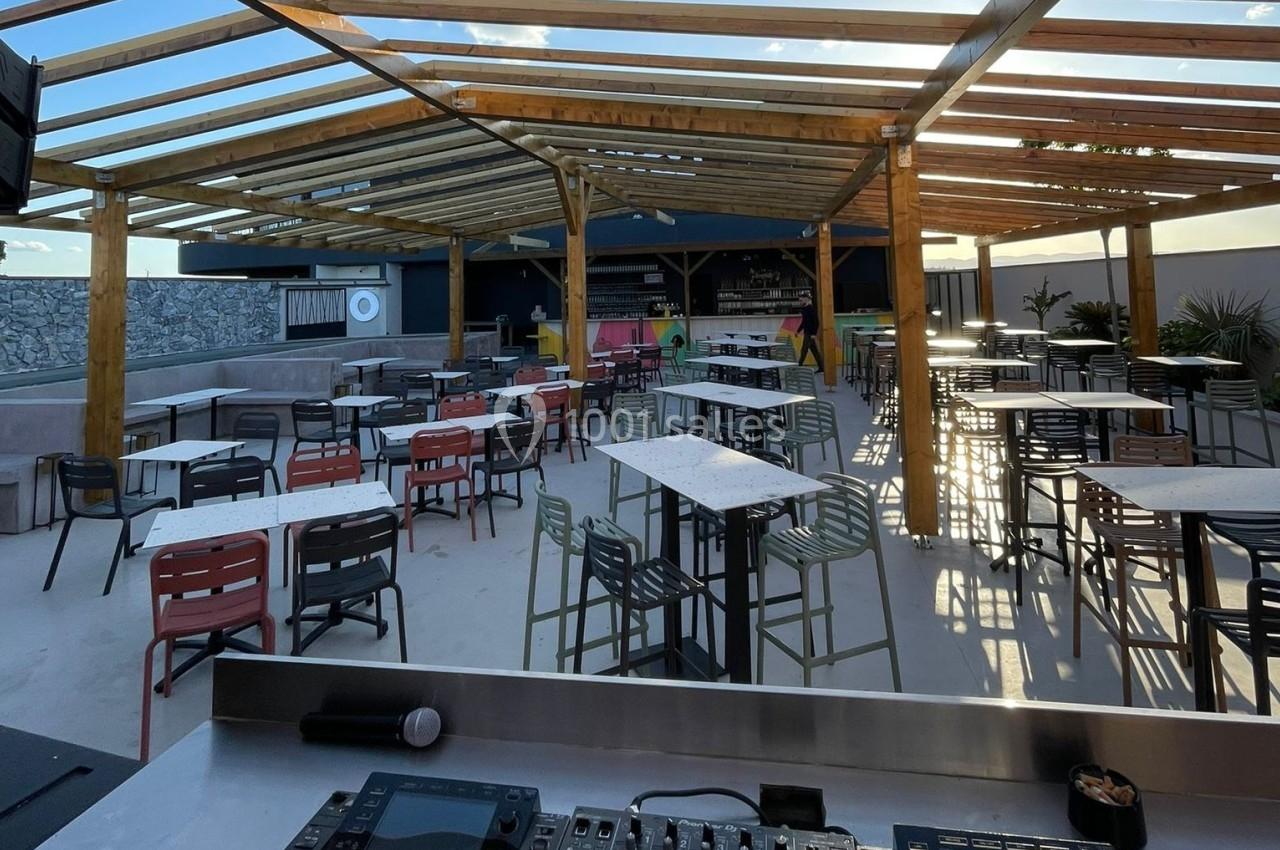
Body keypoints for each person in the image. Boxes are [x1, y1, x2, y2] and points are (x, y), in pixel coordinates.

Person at [797, 292, 824, 371]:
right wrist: (798, 330)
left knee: (804, 349)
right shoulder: (804, 309)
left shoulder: (811, 309)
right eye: (800, 301)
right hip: (807, 332)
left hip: (810, 333)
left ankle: (799, 365)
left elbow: (816, 322)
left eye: (801, 301)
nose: (800, 302)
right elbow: (804, 322)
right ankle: (821, 367)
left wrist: (814, 333)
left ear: (806, 300)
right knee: (814, 350)